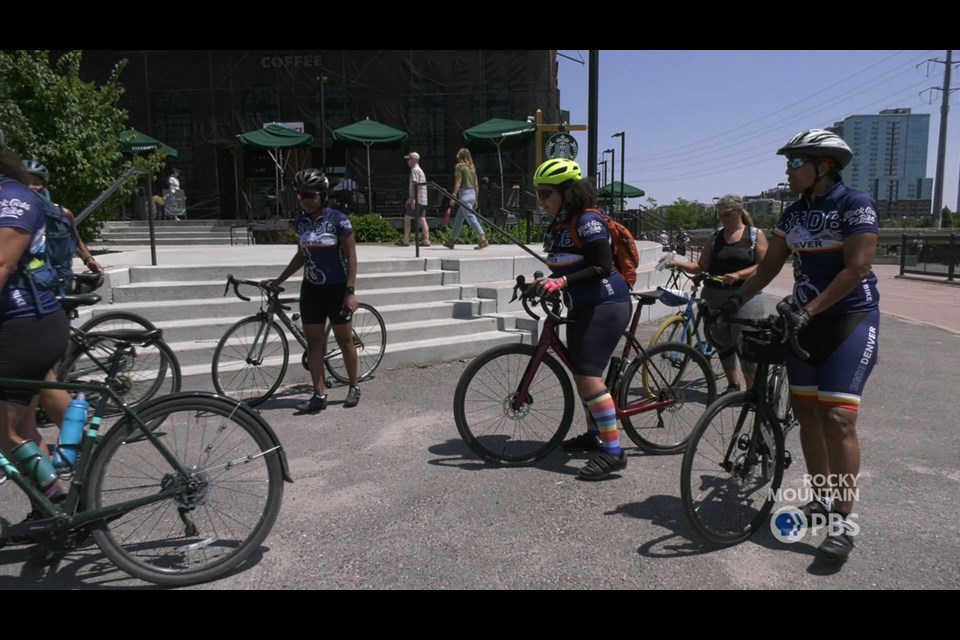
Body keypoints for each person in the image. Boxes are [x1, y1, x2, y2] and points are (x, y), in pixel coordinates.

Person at [727, 129, 880, 563]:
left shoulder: (855, 204)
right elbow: (768, 266)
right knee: (809, 416)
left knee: (838, 419)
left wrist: (809, 311)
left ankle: (844, 521)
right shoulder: (792, 213)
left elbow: (857, 268)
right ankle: (819, 498)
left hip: (849, 320)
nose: (788, 170)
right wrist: (732, 301)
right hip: (804, 321)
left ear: (824, 166)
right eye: (788, 163)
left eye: (796, 163)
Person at [532, 158, 632, 480]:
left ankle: (614, 451)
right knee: (582, 377)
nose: (541, 200)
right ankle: (594, 435)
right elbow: (568, 265)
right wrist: (544, 281)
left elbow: (602, 265)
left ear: (566, 192)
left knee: (588, 376)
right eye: (539, 194)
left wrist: (561, 283)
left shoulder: (588, 220)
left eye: (546, 193)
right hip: (583, 304)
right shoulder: (561, 224)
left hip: (606, 302)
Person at [0, 143, 72, 532]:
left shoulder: (13, 198)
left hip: (26, 321)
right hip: (17, 323)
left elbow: (1, 263)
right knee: (22, 429)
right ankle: (51, 510)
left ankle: (55, 499)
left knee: (5, 430)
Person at [262, 168, 361, 413]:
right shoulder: (302, 222)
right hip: (312, 290)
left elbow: (351, 257)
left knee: (345, 340)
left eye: (310, 195)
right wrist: (279, 278)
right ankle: (319, 394)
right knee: (314, 344)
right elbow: (301, 256)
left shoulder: (339, 220)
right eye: (300, 196)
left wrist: (350, 291)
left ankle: (354, 385)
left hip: (337, 288)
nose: (305, 200)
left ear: (322, 195)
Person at [22, 159, 105, 434]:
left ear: (44, 185)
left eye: (37, 181)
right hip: (35, 286)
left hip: (56, 285)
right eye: (27, 180)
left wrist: (90, 260)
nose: (32, 186)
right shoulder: (22, 212)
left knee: (42, 359)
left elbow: (77, 241)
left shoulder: (61, 213)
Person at [670, 194, 768, 394]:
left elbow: (764, 266)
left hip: (745, 296)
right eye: (720, 215)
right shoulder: (715, 237)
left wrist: (739, 274)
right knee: (722, 341)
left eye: (727, 214)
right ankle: (733, 385)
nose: (723, 219)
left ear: (739, 212)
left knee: (744, 343)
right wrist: (677, 263)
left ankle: (753, 391)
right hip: (714, 295)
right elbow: (701, 266)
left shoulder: (754, 235)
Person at [443, 148, 489, 250]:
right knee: (459, 218)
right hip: (472, 193)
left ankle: (482, 238)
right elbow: (476, 184)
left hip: (464, 194)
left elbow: (458, 181)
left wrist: (453, 195)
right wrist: (476, 199)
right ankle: (452, 240)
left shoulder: (459, 167)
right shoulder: (472, 167)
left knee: (470, 217)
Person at [397, 152, 430, 247]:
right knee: (422, 219)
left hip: (417, 199)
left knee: (407, 218)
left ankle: (406, 240)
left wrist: (413, 199)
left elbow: (416, 185)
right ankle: (426, 240)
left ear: (414, 160)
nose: (407, 161)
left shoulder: (414, 170)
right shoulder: (420, 170)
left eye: (409, 159)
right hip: (423, 199)